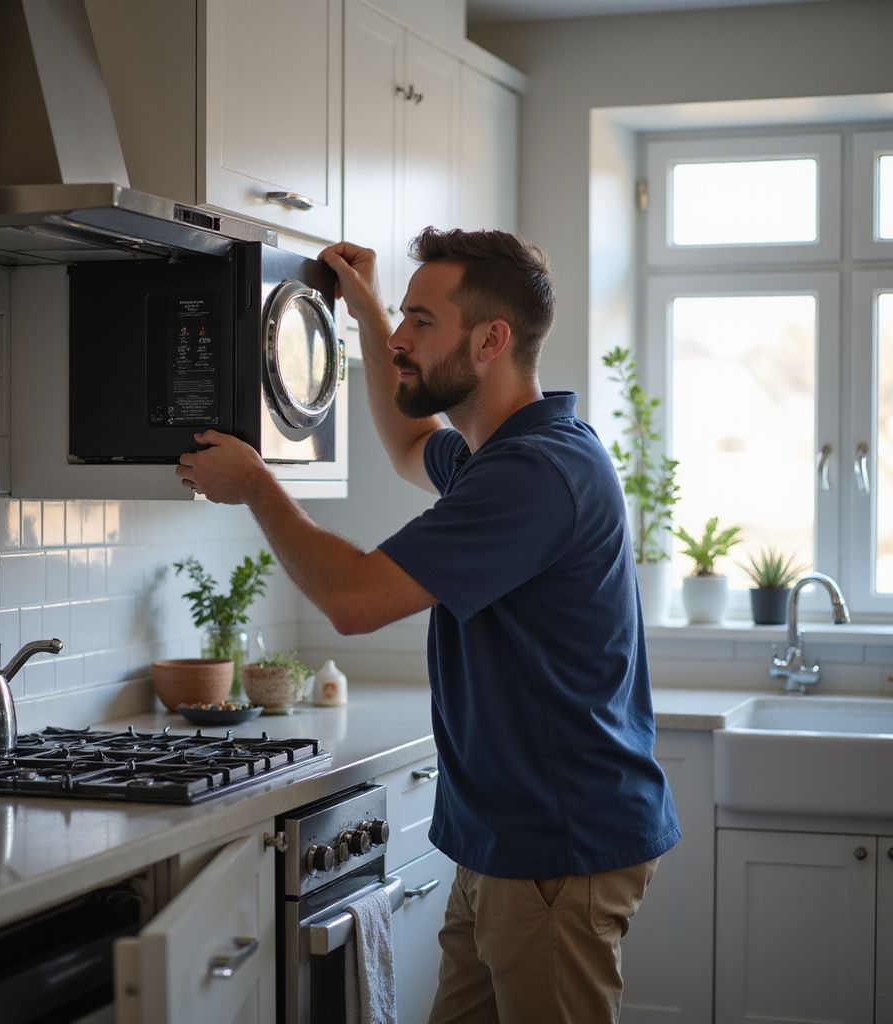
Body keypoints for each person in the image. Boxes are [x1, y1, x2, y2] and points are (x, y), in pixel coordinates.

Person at [176, 227, 680, 1023]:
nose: (401, 340)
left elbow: (354, 600)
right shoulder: (502, 453)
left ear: (490, 340)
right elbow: (411, 439)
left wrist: (258, 486)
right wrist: (369, 313)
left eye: (422, 321)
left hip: (555, 848)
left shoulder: (534, 472)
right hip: (507, 842)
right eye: (405, 319)